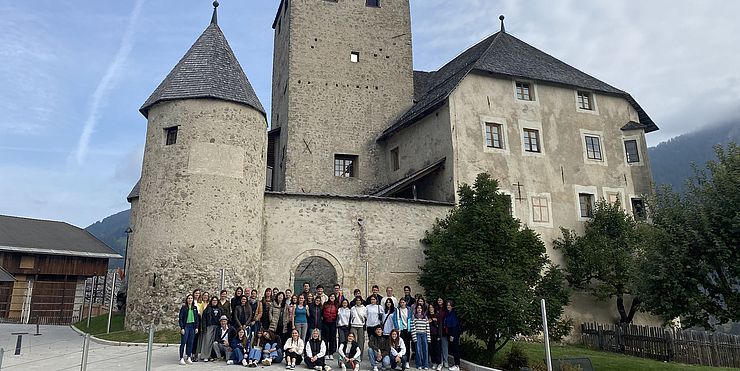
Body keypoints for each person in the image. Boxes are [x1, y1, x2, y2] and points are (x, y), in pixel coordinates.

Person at [178, 294, 200, 365]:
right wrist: (182, 328)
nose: (190, 300)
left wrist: (196, 327)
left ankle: (188, 357)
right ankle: (181, 358)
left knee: (190, 343)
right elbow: (180, 318)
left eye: (191, 298)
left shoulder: (195, 308)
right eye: (189, 298)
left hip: (192, 326)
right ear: (186, 300)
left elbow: (196, 319)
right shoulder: (184, 308)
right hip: (186, 326)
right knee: (183, 342)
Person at [200, 296, 222, 361]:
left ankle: (212, 356)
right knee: (207, 341)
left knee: (214, 342)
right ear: (211, 301)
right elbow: (204, 319)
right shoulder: (207, 309)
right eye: (213, 300)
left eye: (216, 300)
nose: (214, 301)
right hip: (209, 326)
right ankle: (205, 356)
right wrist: (204, 327)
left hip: (217, 327)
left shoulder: (220, 309)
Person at [393, 298, 412, 369]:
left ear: (406, 303)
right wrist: (397, 328)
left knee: (407, 345)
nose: (402, 303)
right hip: (400, 329)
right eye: (401, 302)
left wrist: (410, 328)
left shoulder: (409, 309)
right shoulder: (397, 310)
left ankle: (407, 361)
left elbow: (411, 319)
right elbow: (395, 319)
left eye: (403, 302)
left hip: (408, 329)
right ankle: (400, 360)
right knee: (399, 345)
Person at [412, 305, 430, 369]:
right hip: (417, 334)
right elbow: (413, 327)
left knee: (425, 350)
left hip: (424, 334)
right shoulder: (414, 316)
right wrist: (414, 337)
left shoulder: (425, 317)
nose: (419, 309)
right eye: (418, 308)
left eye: (420, 308)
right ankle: (419, 364)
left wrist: (428, 337)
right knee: (418, 350)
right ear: (416, 309)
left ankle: (425, 365)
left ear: (422, 309)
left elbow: (427, 327)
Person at [443, 301, 460, 371]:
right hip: (449, 333)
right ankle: (455, 364)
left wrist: (452, 335)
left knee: (455, 349)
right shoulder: (448, 313)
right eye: (447, 305)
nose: (448, 306)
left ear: (452, 306)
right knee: (452, 349)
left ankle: (457, 365)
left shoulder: (453, 314)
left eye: (449, 305)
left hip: (454, 334)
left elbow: (454, 325)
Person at [322, 293, 339, 359]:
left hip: (333, 323)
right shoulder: (325, 304)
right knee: (326, 338)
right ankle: (326, 353)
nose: (332, 297)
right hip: (325, 323)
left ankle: (331, 353)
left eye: (333, 296)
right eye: (331, 296)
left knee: (332, 338)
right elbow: (322, 312)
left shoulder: (336, 305)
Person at [434, 298, 448, 370]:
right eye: (438, 300)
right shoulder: (436, 308)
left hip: (444, 330)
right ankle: (441, 361)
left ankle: (446, 361)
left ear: (443, 301)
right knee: (439, 347)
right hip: (437, 330)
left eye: (441, 300)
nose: (439, 301)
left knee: (444, 346)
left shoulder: (445, 309)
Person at [427, 305, 441, 370]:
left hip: (436, 335)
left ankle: (439, 363)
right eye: (429, 308)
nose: (431, 309)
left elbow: (440, 326)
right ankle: (434, 362)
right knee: (431, 350)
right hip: (429, 335)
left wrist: (439, 335)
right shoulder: (427, 316)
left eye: (432, 307)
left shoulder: (437, 315)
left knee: (437, 349)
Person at [192, 289, 204, 362]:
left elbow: (201, 312)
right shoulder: (191, 301)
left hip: (198, 320)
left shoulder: (201, 303)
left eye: (198, 293)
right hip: (192, 320)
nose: (197, 294)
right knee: (191, 338)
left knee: (196, 338)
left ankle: (194, 354)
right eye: (196, 293)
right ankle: (190, 354)